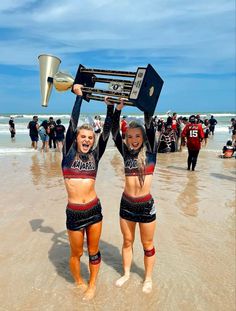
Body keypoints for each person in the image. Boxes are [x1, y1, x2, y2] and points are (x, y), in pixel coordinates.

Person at [62, 84, 114, 300]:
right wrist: (79, 98)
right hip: (74, 212)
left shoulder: (95, 155)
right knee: (76, 253)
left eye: (90, 138)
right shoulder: (67, 153)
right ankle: (79, 281)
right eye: (83, 137)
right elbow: (72, 125)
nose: (86, 140)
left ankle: (92, 284)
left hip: (94, 210)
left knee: (93, 251)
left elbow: (107, 132)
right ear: (76, 139)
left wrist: (110, 108)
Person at [109, 97, 157, 294]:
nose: (133, 140)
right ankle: (127, 273)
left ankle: (148, 278)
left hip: (146, 206)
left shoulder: (151, 152)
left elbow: (150, 126)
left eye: (137, 136)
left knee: (147, 244)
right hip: (126, 204)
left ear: (143, 137)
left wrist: (145, 105)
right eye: (130, 137)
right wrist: (117, 109)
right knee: (127, 241)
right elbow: (113, 133)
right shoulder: (126, 153)